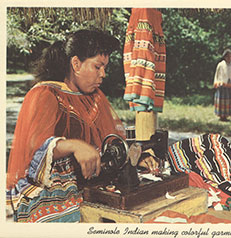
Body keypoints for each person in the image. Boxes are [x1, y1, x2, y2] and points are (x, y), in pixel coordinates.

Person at [6, 29, 158, 223]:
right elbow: (35, 146)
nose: (103, 74)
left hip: (86, 180)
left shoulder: (94, 97)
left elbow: (109, 141)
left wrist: (135, 156)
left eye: (105, 68)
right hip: (52, 185)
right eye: (97, 67)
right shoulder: (47, 94)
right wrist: (74, 145)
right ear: (76, 64)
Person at [213, 49, 231, 121]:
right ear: (224, 57)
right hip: (222, 84)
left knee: (229, 100)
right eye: (228, 56)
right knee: (222, 100)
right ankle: (222, 115)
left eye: (230, 56)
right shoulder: (221, 64)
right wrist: (217, 82)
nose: (229, 58)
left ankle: (227, 114)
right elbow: (217, 74)